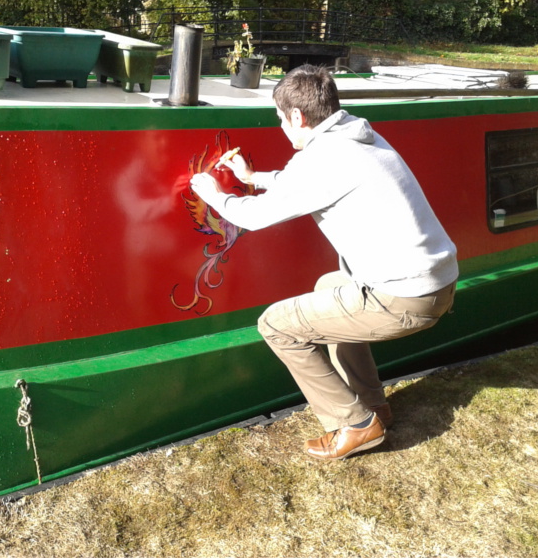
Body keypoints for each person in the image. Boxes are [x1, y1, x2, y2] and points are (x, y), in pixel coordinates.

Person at [190, 65, 458, 461]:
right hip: (436, 283)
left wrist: (214, 194)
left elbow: (253, 218)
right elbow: (312, 182)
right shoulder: (356, 135)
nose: (282, 127)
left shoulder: (325, 157)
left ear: (297, 116)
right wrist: (254, 176)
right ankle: (372, 405)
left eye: (280, 119)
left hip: (405, 297)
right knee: (328, 287)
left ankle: (352, 424)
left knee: (276, 326)